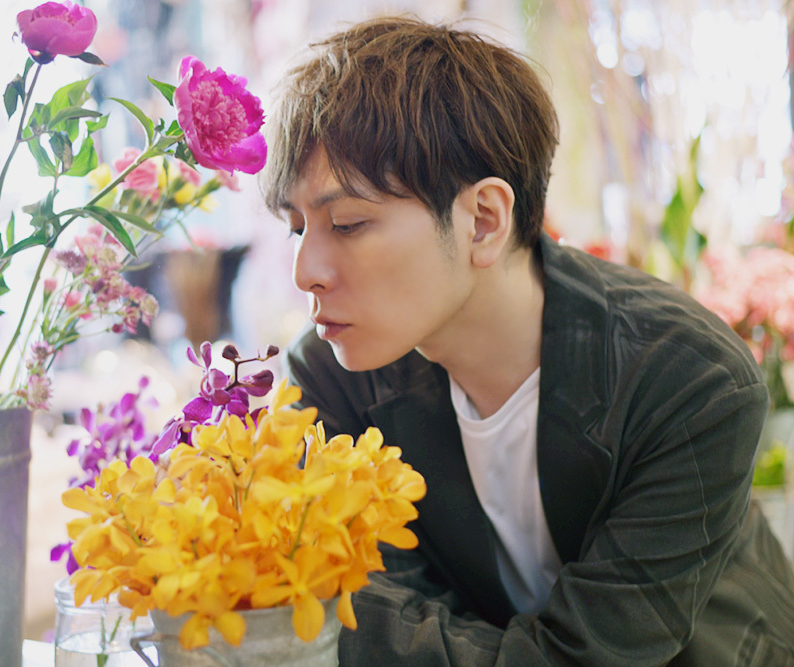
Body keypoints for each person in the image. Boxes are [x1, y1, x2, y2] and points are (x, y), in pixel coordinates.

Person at [261, 16, 794, 666]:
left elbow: (594, 656)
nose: (305, 272)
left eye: (346, 223)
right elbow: (353, 612)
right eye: (296, 227)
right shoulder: (329, 373)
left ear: (484, 220)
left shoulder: (687, 378)